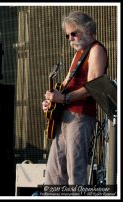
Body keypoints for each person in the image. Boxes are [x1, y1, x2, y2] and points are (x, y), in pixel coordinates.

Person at [42, 11, 108, 185]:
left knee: (75, 172)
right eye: (67, 35)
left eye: (73, 33)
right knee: (54, 174)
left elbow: (93, 86)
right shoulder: (79, 54)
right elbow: (64, 84)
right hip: (64, 116)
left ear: (86, 29)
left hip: (80, 117)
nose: (70, 38)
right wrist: (52, 100)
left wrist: (63, 99)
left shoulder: (96, 49)